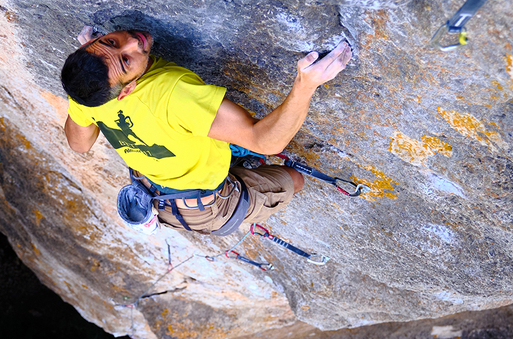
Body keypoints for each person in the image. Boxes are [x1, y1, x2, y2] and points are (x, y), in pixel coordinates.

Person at [61, 26, 352, 235]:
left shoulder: (93, 93)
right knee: (294, 179)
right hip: (203, 209)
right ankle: (230, 173)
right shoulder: (172, 94)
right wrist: (306, 84)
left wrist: (84, 84)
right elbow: (264, 140)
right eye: (126, 60)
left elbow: (79, 145)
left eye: (111, 42)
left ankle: (221, 165)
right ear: (127, 91)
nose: (133, 43)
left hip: (152, 184)